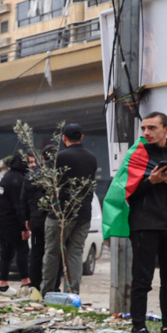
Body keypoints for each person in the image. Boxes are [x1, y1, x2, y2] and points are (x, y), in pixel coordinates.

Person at [103, 113, 167, 333]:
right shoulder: (135, 154)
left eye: (152, 128)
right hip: (144, 226)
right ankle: (138, 328)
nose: (146, 132)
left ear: (166, 129)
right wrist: (151, 182)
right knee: (142, 280)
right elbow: (124, 193)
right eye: (144, 128)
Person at [42, 123, 98, 295]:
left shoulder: (60, 158)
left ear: (64, 138)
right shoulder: (92, 158)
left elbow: (46, 183)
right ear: (82, 137)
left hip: (60, 215)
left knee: (52, 253)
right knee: (75, 255)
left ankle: (48, 292)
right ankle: (71, 295)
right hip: (83, 214)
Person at [0, 152, 31, 292]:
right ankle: (25, 281)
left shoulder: (6, 176)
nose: (32, 165)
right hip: (7, 220)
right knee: (22, 248)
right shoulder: (17, 180)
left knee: (6, 250)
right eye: (29, 162)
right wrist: (23, 228)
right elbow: (18, 206)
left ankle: (3, 284)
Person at [22, 149, 50, 291]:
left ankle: (35, 284)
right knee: (50, 253)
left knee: (36, 252)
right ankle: (50, 286)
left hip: (35, 219)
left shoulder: (30, 177)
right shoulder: (51, 176)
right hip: (49, 219)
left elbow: (23, 200)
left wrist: (27, 219)